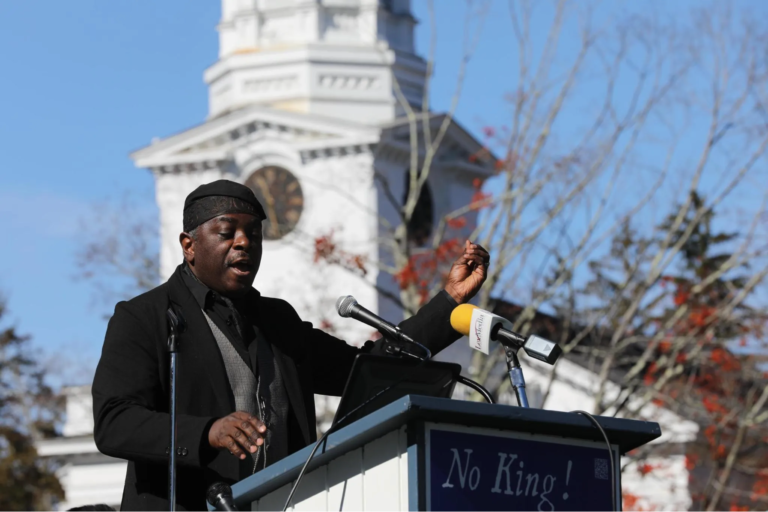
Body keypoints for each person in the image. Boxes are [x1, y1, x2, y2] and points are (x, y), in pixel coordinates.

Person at [92, 180, 490, 511]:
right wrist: (206, 432)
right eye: (227, 232)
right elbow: (114, 423)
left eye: (254, 233)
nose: (244, 243)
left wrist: (449, 303)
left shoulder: (278, 321)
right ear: (189, 244)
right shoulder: (144, 317)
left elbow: (370, 372)